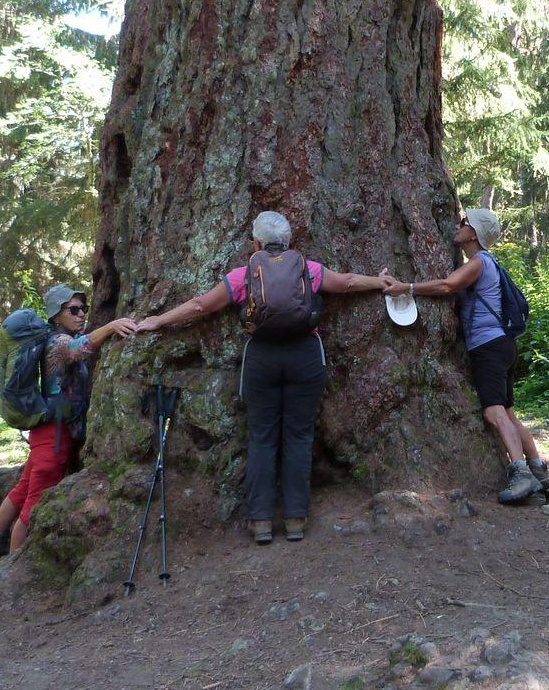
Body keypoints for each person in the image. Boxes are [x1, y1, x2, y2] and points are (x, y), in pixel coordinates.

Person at [136, 211, 388, 544]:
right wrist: (380, 281)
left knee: (262, 437)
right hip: (304, 356)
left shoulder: (244, 275)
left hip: (262, 359)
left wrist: (158, 320)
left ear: (254, 243)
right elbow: (348, 283)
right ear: (289, 242)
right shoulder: (307, 269)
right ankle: (296, 520)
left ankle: (261, 522)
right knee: (299, 436)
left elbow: (200, 306)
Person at [382, 207, 549, 505]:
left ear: (474, 234)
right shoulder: (489, 262)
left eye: (464, 223)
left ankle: (520, 474)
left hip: (488, 347)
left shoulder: (479, 262)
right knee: (508, 412)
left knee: (494, 412)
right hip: (502, 345)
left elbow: (447, 285)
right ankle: (538, 469)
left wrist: (407, 288)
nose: (458, 225)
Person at [0, 284, 139, 562]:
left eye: (83, 309)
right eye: (73, 310)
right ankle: (12, 562)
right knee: (35, 501)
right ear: (56, 315)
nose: (81, 315)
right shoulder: (58, 342)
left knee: (23, 489)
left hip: (46, 432)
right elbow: (81, 348)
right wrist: (112, 326)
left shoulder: (55, 337)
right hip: (52, 435)